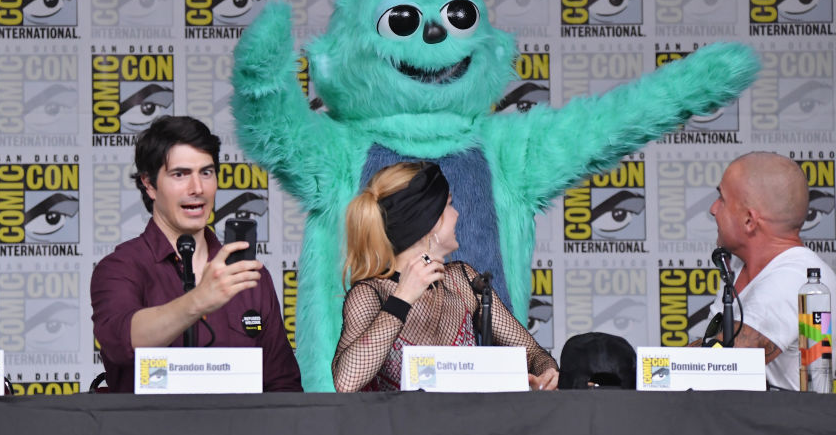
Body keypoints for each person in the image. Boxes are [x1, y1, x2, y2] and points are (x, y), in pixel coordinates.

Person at [90, 116, 301, 392]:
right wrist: (199, 299)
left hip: (238, 422)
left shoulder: (247, 275)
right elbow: (121, 342)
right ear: (149, 184)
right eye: (180, 174)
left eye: (206, 173)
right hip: (149, 422)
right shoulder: (120, 267)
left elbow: (283, 386)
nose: (197, 188)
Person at [332, 161, 558, 392]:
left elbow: (533, 353)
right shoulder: (370, 294)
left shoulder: (463, 280)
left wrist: (546, 374)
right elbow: (346, 382)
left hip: (468, 416)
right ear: (428, 222)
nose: (457, 214)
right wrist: (402, 299)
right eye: (449, 205)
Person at [697, 151, 836, 390]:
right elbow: (706, 351)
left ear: (749, 221)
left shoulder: (793, 279)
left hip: (790, 416)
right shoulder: (740, 268)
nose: (713, 208)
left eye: (722, 199)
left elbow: (719, 366)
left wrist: (651, 369)